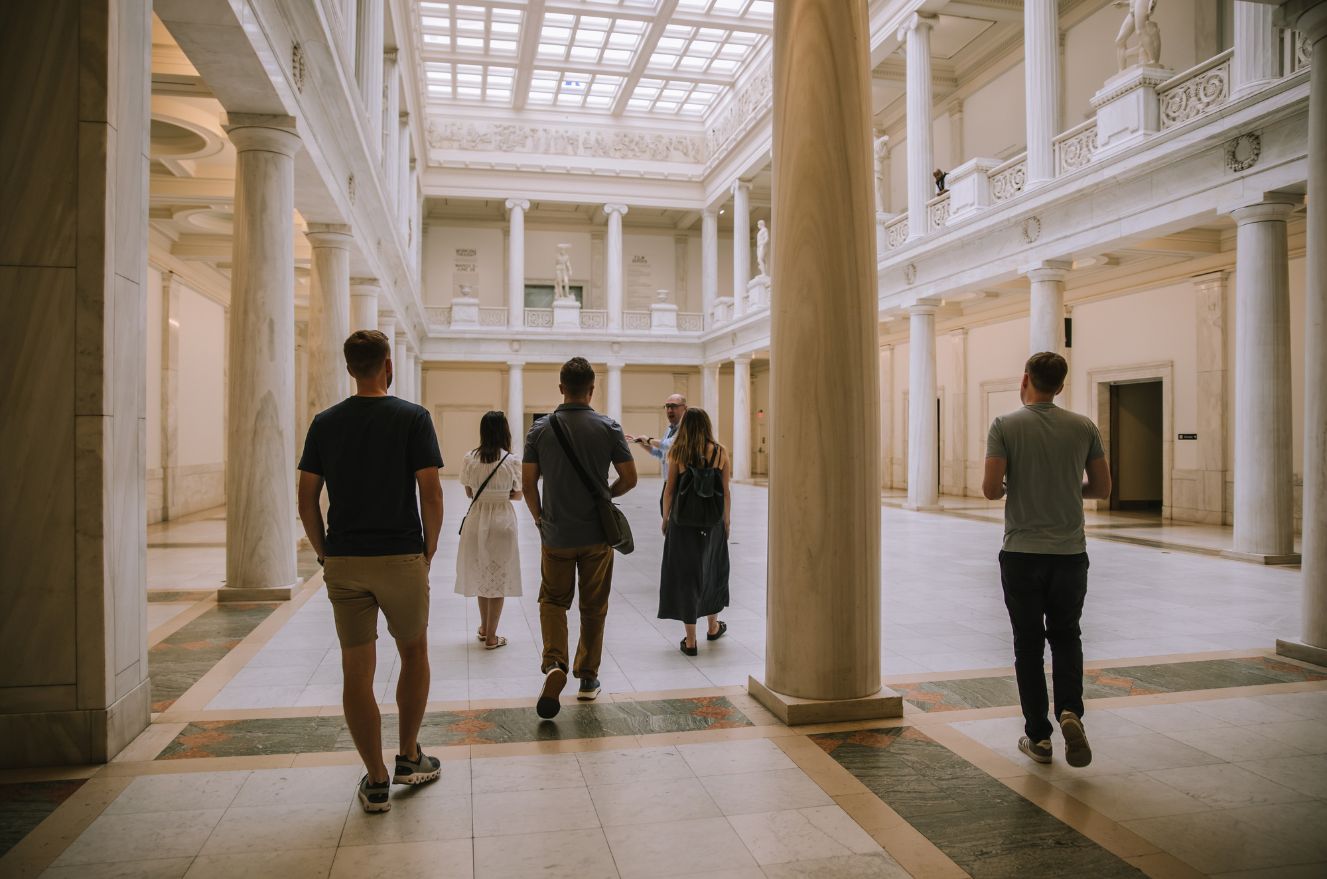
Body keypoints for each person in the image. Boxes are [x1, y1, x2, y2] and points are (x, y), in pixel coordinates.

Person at [297, 330, 445, 813]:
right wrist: (427, 551)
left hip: (345, 560)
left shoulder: (325, 422)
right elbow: (431, 491)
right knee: (414, 651)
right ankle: (408, 755)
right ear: (388, 365)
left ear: (349, 368)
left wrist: (324, 553)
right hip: (401, 555)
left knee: (356, 670)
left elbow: (306, 496)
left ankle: (377, 779)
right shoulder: (413, 417)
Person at [982, 352, 1112, 769]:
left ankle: (1038, 735)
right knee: (1067, 635)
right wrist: (1067, 489)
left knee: (1027, 643)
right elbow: (1102, 489)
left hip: (1021, 553)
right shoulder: (1083, 427)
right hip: (1070, 554)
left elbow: (989, 489)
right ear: (1060, 385)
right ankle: (1070, 709)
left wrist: (1012, 487)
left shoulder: (1005, 425)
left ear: (1026, 380)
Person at [522, 357, 638, 718]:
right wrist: (607, 495)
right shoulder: (608, 427)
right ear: (592, 388)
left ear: (561, 388)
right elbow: (630, 477)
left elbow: (527, 483)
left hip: (556, 533)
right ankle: (587, 678)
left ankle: (554, 663)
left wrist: (540, 519)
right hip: (597, 536)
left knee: (553, 601)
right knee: (593, 605)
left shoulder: (540, 429)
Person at [659, 408, 731, 655]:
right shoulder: (720, 451)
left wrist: (666, 518)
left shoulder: (677, 452)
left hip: (683, 523)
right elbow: (725, 490)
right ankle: (712, 627)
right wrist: (727, 521)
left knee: (686, 575)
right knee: (712, 569)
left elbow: (670, 490)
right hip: (712, 523)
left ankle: (690, 641)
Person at [456, 411, 523, 650]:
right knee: (498, 576)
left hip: (476, 519)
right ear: (505, 431)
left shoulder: (470, 458)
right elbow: (518, 494)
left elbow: (469, 493)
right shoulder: (511, 460)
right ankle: (492, 636)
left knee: (482, 574)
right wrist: (500, 494)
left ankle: (484, 628)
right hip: (503, 520)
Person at [628, 393, 687, 472]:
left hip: (681, 481)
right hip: (668, 480)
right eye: (667, 406)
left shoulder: (686, 428)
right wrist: (641, 443)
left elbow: (667, 445)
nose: (669, 410)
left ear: (685, 408)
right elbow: (660, 453)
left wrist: (649, 440)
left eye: (673, 406)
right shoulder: (669, 429)